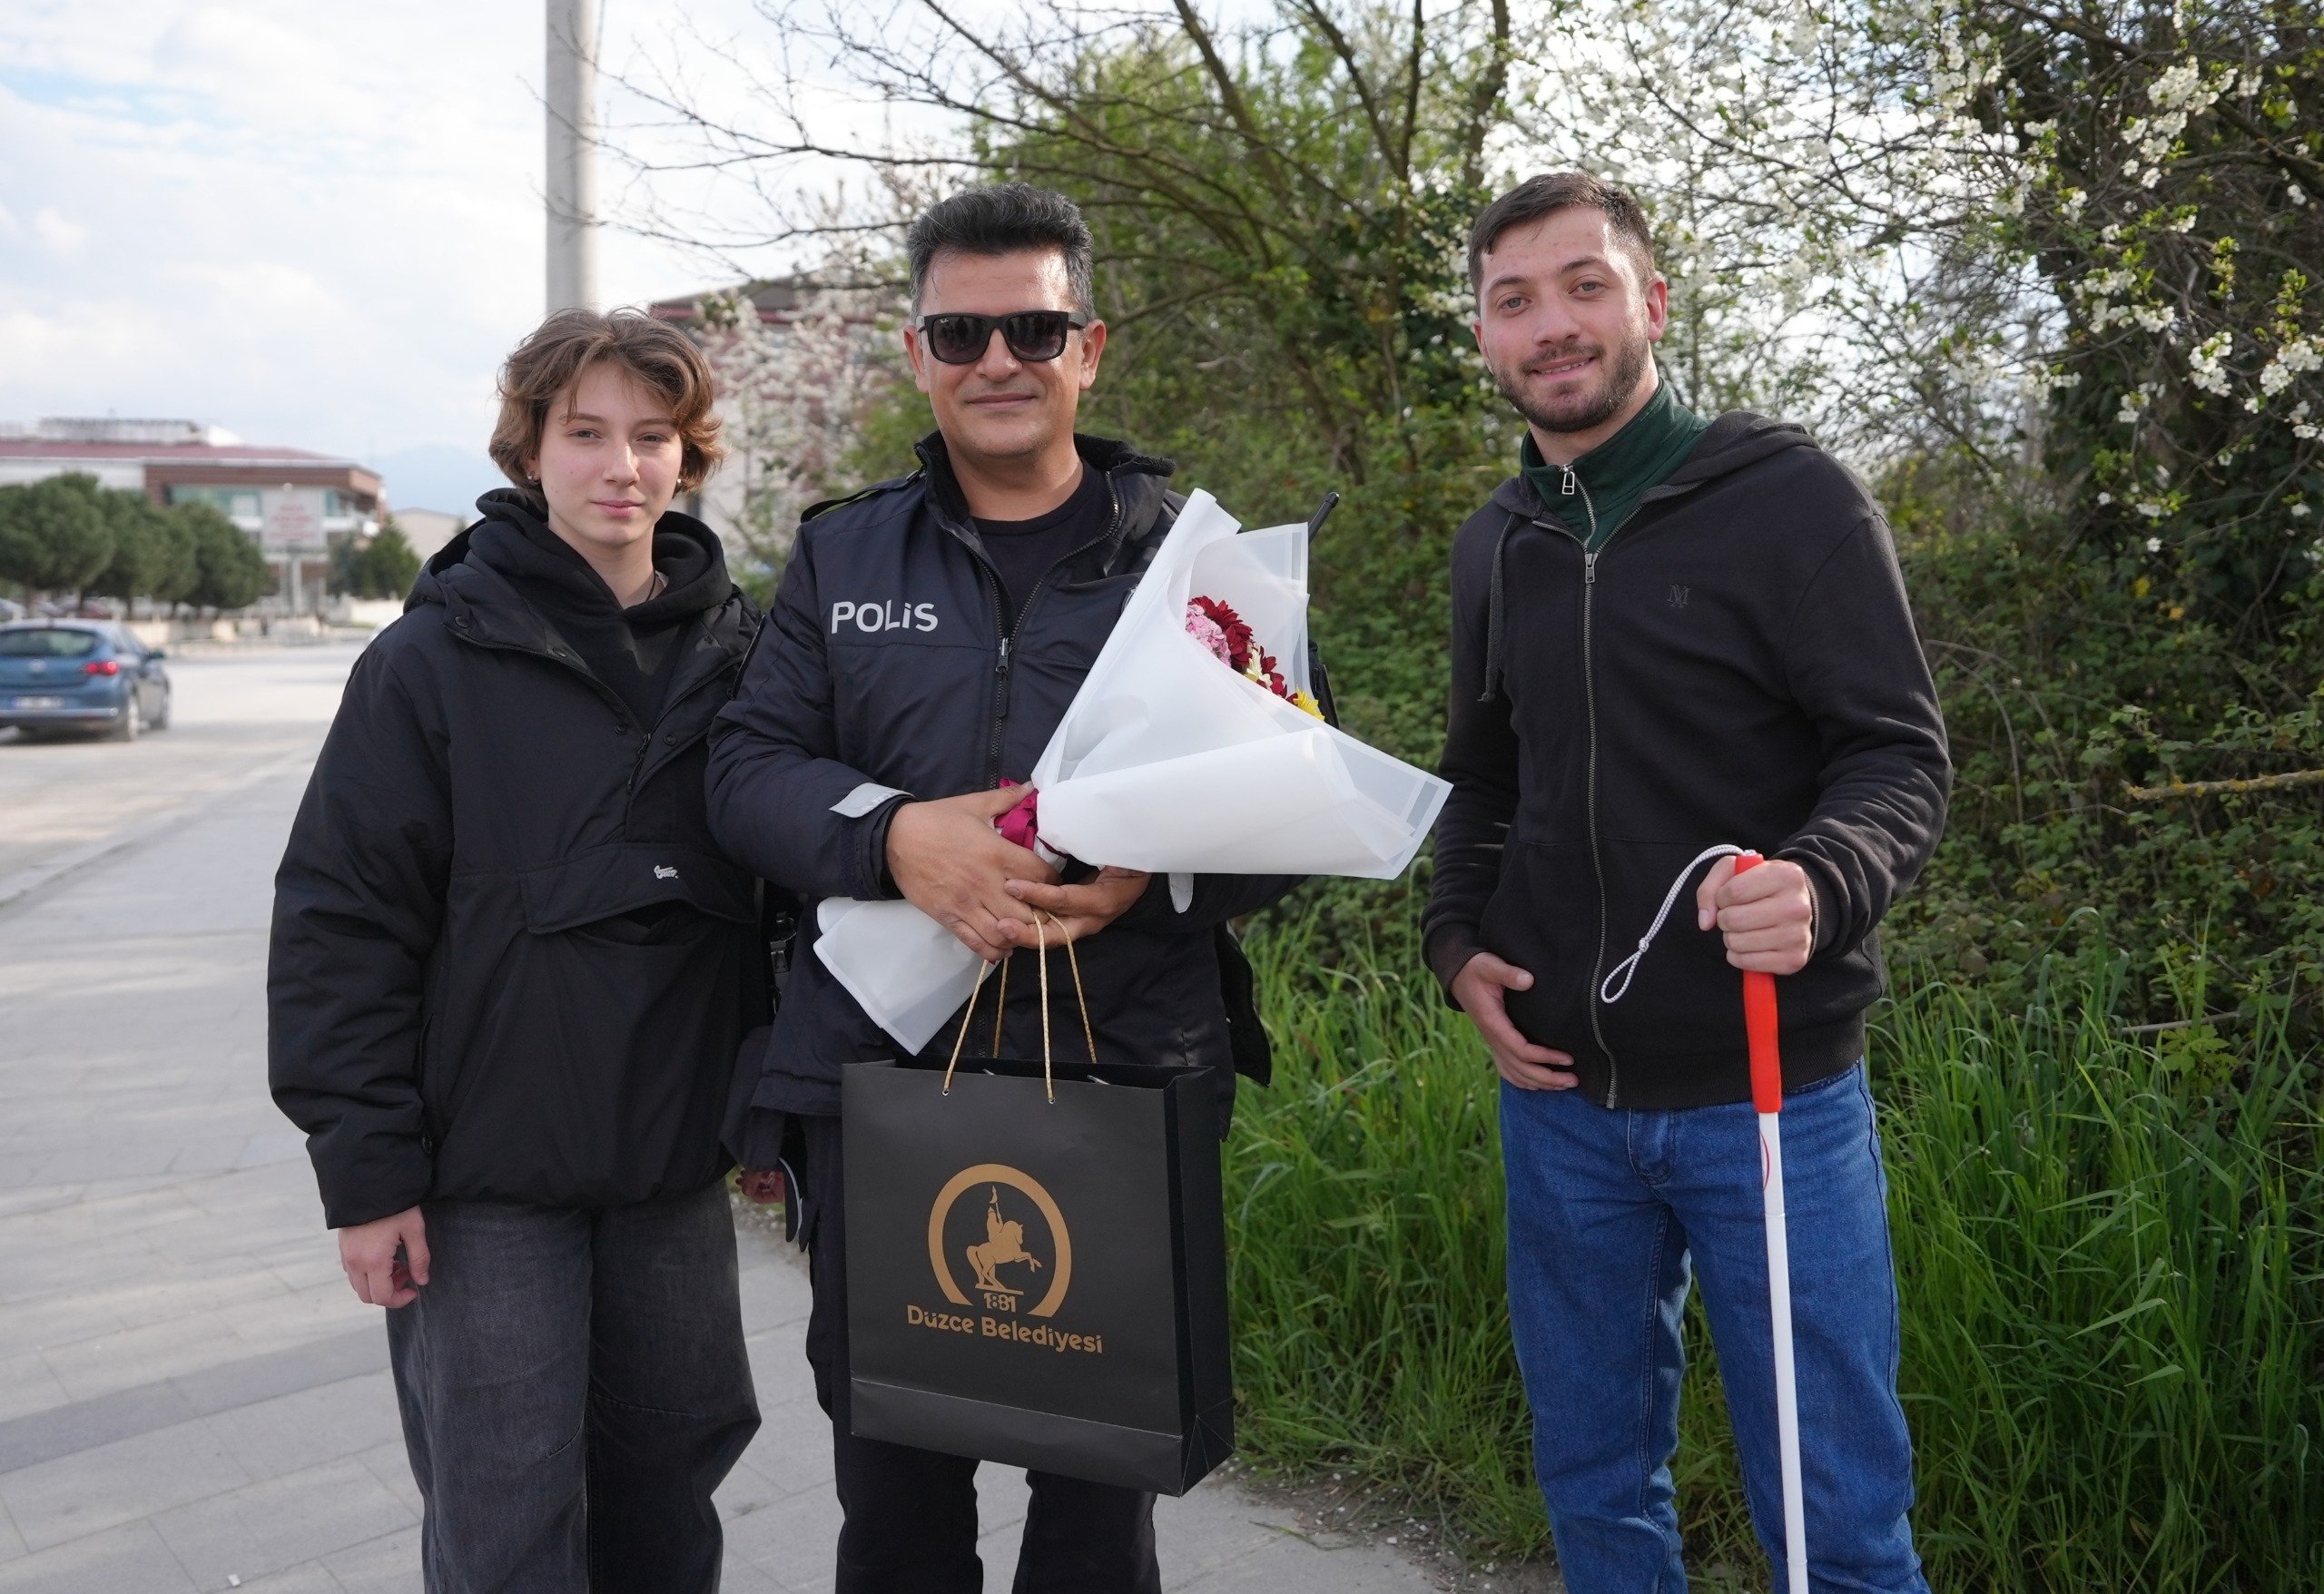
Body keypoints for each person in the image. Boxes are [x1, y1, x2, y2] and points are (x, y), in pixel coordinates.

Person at [706, 182, 1291, 1594]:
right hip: (888, 1077)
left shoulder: (1196, 560)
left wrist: (1156, 873)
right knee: (896, 1492)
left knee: (1099, 1510)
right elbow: (745, 766)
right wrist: (893, 835)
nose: (997, 362)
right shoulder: (846, 554)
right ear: (918, 353)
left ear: (1089, 347)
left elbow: (1292, 799)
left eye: (1032, 328)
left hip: (1127, 1072)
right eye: (960, 332)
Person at [1424, 172, 1951, 1593]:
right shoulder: (1498, 541)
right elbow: (1482, 779)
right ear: (1483, 336)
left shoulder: (1790, 500)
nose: (1552, 324)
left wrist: (1826, 880)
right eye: (1513, 299)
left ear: (1651, 302)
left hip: (1768, 1100)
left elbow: (1898, 758)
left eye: (1584, 285)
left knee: (1835, 1522)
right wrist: (1455, 939)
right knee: (1598, 1492)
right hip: (1561, 1107)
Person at [269, 310, 764, 1593]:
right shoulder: (428, 662)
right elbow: (342, 916)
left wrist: (778, 1115)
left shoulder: (744, 657)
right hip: (484, 1181)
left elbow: (785, 902)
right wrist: (365, 1171)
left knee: (671, 1495)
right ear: (529, 452)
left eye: (652, 437)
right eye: (586, 434)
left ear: (688, 456)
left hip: (669, 1167)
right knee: (505, 1517)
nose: (622, 467)